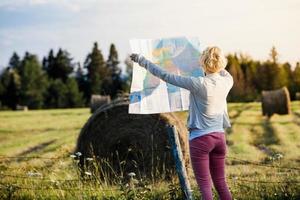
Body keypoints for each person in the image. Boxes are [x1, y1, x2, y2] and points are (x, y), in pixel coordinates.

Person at [130, 46, 233, 200]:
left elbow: (164, 75)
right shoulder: (227, 81)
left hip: (201, 140)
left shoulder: (198, 83)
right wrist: (207, 62)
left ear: (204, 63)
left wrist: (141, 60)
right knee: (221, 183)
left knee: (205, 187)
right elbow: (223, 71)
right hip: (219, 138)